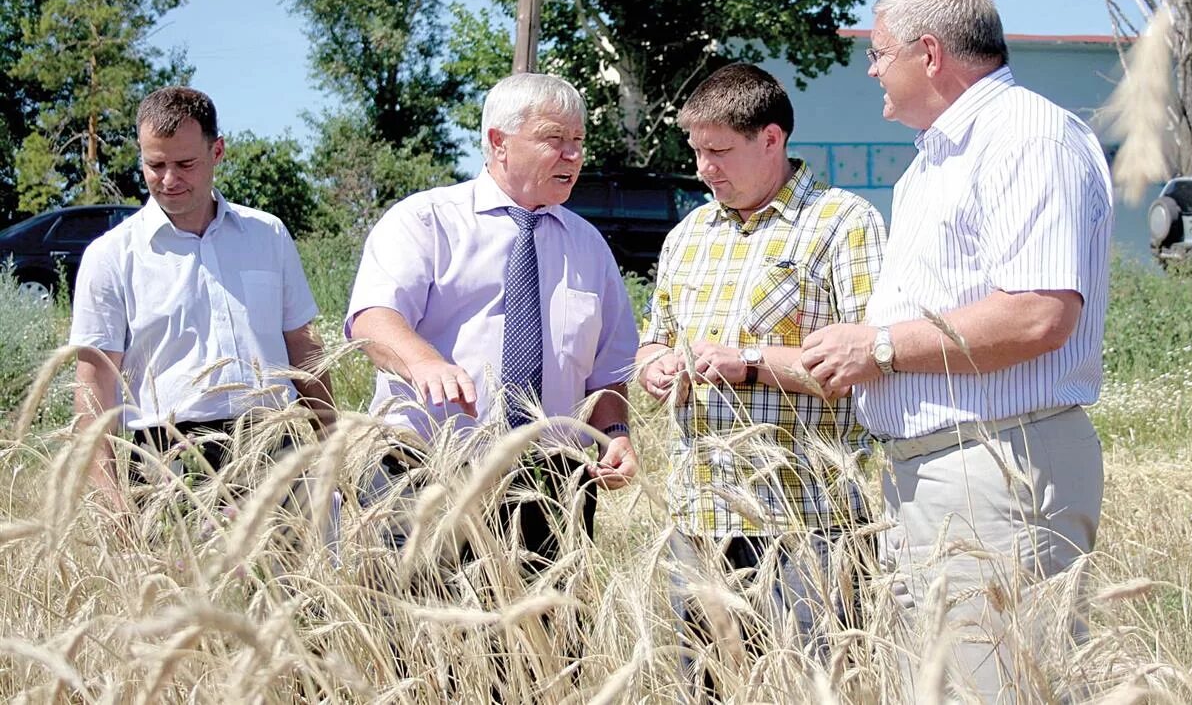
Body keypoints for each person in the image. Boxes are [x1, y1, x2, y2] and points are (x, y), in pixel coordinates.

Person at [800, 0, 1112, 701]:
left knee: (999, 686)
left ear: (930, 54)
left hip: (997, 467)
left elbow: (1038, 312)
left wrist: (876, 348)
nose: (871, 69)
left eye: (878, 53)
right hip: (940, 472)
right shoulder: (935, 161)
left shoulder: (1026, 138)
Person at [635, 63, 886, 689]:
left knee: (815, 685)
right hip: (700, 515)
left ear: (771, 139)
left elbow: (869, 363)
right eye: (695, 152)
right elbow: (653, 340)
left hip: (809, 520)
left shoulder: (843, 224)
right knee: (707, 688)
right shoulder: (688, 234)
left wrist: (747, 365)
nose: (703, 169)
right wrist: (656, 366)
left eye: (718, 151)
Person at [345, 72, 639, 569]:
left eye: (578, 141)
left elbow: (608, 371)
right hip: (427, 471)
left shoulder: (589, 245)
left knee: (542, 642)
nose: (573, 155)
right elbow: (373, 319)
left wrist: (617, 433)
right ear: (499, 142)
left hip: (551, 483)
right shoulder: (426, 221)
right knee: (418, 638)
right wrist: (423, 362)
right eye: (554, 139)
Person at [71, 86, 335, 512]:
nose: (169, 179)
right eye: (154, 164)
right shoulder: (112, 256)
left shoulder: (267, 236)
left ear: (217, 152)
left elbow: (303, 347)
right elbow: (95, 382)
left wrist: (331, 443)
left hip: (275, 446)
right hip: (169, 459)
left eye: (185, 164)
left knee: (288, 578)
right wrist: (112, 500)